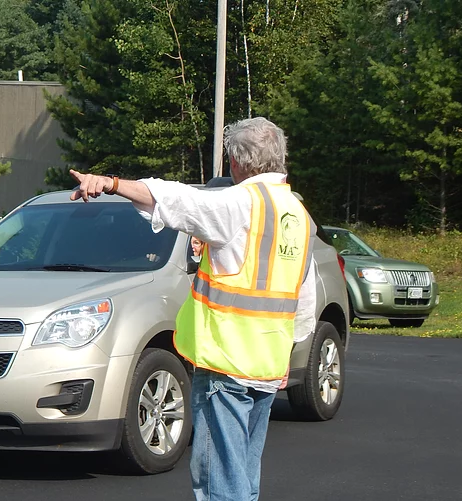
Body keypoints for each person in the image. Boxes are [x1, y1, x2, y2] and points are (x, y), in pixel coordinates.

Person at [69, 117, 317, 501]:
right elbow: (304, 301)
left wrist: (113, 184)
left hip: (226, 365)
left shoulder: (240, 204)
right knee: (242, 476)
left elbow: (175, 199)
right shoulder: (298, 216)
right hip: (267, 367)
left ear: (236, 162)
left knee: (220, 479)